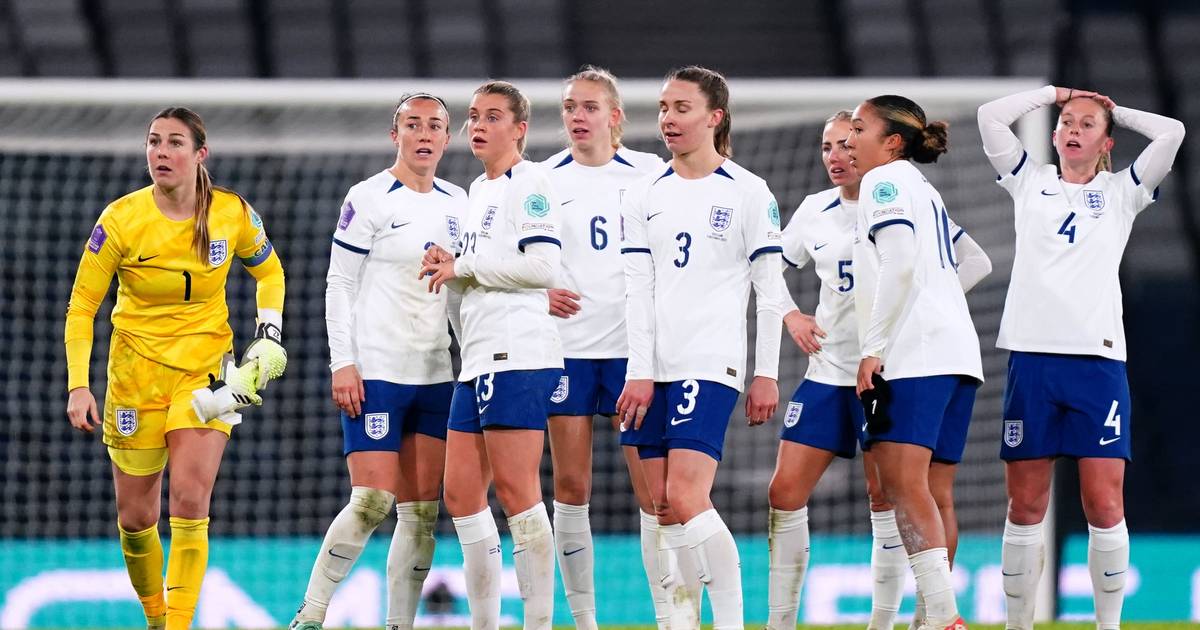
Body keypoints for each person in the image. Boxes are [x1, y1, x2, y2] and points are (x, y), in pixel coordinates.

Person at [765, 109, 991, 630]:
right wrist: (791, 315)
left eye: (849, 140)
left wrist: (917, 312)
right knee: (785, 491)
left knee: (892, 493)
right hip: (831, 369)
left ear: (879, 144)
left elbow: (972, 262)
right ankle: (780, 621)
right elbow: (766, 267)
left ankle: (893, 620)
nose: (838, 154)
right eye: (827, 146)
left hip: (889, 366)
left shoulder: (889, 192)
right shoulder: (817, 210)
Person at [64, 107, 286, 630]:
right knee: (136, 518)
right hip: (135, 376)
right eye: (154, 142)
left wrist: (269, 333)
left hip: (204, 373)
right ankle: (157, 618)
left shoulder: (231, 213)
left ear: (199, 154)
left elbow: (270, 272)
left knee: (189, 497)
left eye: (174, 143)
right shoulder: (120, 219)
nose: (161, 152)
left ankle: (179, 625)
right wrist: (78, 385)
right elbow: (81, 308)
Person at [977, 86, 1184, 630]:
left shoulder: (1124, 192)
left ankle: (1107, 626)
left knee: (1104, 504)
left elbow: (1173, 132)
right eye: (1067, 121)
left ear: (1106, 142)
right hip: (1032, 362)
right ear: (1053, 135)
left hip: (1097, 365)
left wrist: (1112, 109)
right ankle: (1018, 625)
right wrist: (1055, 93)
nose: (1074, 129)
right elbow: (989, 116)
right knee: (1025, 505)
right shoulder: (1029, 181)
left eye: (1087, 125)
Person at [615, 65, 785, 630]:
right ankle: (682, 623)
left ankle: (732, 623)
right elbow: (638, 290)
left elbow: (770, 290)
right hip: (652, 368)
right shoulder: (644, 192)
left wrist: (766, 372)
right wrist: (638, 370)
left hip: (709, 360)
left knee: (687, 496)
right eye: (663, 108)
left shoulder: (748, 191)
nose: (668, 118)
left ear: (714, 117)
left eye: (681, 108)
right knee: (663, 508)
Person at [289, 93, 466, 630]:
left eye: (434, 126)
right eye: (413, 125)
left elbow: (459, 291)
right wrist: (343, 362)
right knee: (370, 501)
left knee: (421, 513)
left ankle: (399, 624)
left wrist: (470, 358)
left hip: (434, 374)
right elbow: (339, 283)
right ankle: (312, 613)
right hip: (378, 373)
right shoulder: (368, 197)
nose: (424, 134)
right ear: (396, 135)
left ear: (446, 138)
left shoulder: (459, 203)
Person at [420, 80, 562, 630]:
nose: (477, 125)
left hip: (519, 353)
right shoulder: (478, 190)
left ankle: (539, 623)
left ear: (520, 129)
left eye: (493, 117)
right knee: (460, 494)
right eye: (474, 116)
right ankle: (485, 623)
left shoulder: (532, 183)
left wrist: (466, 265)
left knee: (517, 492)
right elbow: (482, 269)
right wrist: (451, 264)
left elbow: (542, 266)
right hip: (479, 358)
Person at [845, 95, 984, 630]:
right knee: (936, 492)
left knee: (903, 488)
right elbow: (976, 262)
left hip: (915, 358)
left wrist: (874, 346)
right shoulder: (924, 190)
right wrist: (937, 303)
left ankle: (945, 619)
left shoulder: (883, 183)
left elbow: (899, 263)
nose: (850, 138)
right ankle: (929, 619)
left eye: (860, 128)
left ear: (891, 142)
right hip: (958, 355)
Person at [539, 65, 667, 630]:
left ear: (614, 116)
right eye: (570, 106)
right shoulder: (541, 179)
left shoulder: (651, 172)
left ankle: (670, 615)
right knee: (571, 486)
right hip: (566, 349)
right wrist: (538, 291)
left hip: (632, 351)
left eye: (589, 106)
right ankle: (584, 620)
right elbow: (519, 255)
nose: (577, 116)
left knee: (654, 491)